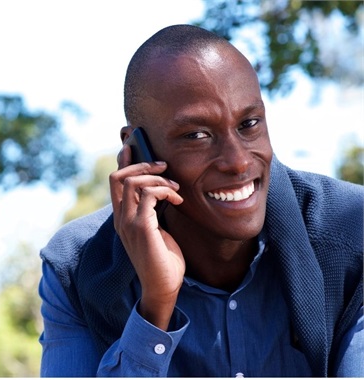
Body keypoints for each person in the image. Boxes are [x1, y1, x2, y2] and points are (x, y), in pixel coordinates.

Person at [38, 24, 363, 377]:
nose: (238, 161)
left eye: (249, 124)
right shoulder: (77, 266)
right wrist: (155, 307)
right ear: (135, 150)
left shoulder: (352, 231)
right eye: (197, 135)